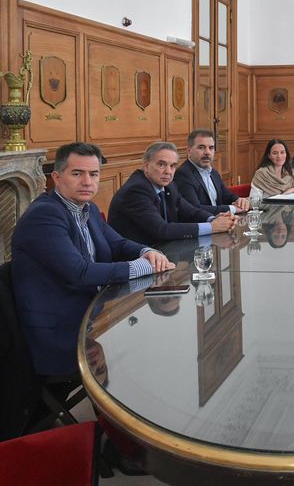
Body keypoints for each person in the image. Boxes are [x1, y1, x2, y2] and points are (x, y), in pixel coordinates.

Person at [11, 142, 174, 376]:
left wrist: (147, 252)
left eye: (94, 174)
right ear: (57, 178)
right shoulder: (44, 215)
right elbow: (81, 273)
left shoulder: (88, 208)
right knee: (142, 360)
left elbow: (118, 244)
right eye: (77, 173)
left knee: (152, 343)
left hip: (91, 314)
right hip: (60, 332)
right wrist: (144, 266)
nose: (87, 181)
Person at [109, 141, 237, 246]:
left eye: (172, 166)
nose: (168, 171)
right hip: (136, 260)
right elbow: (162, 230)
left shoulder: (169, 184)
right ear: (146, 166)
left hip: (164, 253)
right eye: (161, 165)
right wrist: (212, 227)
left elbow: (190, 210)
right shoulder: (136, 190)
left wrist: (213, 218)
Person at [174, 129, 250, 215]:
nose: (207, 152)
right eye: (201, 147)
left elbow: (227, 195)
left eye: (211, 148)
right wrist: (232, 208)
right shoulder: (183, 174)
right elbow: (194, 208)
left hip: (221, 222)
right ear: (189, 151)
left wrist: (239, 201)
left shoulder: (213, 172)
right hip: (204, 225)